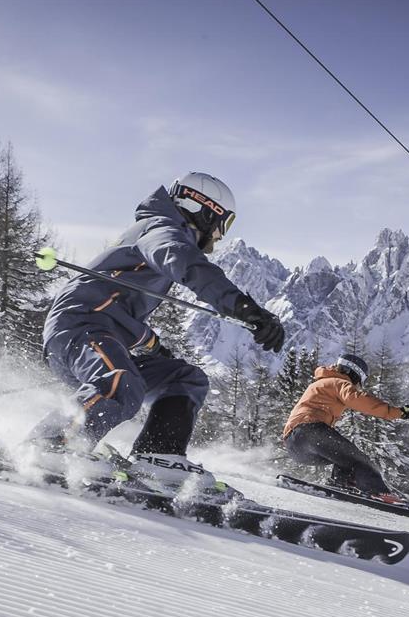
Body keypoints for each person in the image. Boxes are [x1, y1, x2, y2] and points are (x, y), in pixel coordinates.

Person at [30, 171, 284, 489]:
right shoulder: (161, 230)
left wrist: (152, 344)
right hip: (78, 328)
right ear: (203, 209)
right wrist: (245, 308)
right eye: (224, 222)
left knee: (184, 378)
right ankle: (51, 443)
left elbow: (118, 307)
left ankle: (158, 456)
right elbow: (189, 267)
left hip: (101, 331)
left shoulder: (158, 231)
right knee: (120, 382)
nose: (221, 235)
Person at [282, 352, 409, 502]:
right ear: (353, 373)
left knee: (344, 459)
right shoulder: (337, 382)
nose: (357, 386)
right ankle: (379, 492)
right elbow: (359, 400)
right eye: (359, 380)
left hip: (295, 444)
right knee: (359, 460)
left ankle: (340, 485)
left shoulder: (320, 383)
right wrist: (397, 412)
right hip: (310, 431)